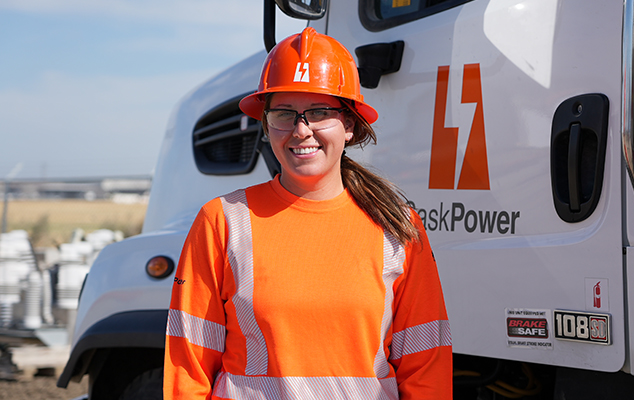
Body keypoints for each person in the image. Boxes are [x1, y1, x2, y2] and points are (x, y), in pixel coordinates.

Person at [163, 27, 452, 399]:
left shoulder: (397, 226)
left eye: (319, 113)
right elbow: (188, 368)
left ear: (349, 125)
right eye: (284, 114)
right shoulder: (223, 221)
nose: (301, 130)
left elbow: (426, 368)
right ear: (266, 125)